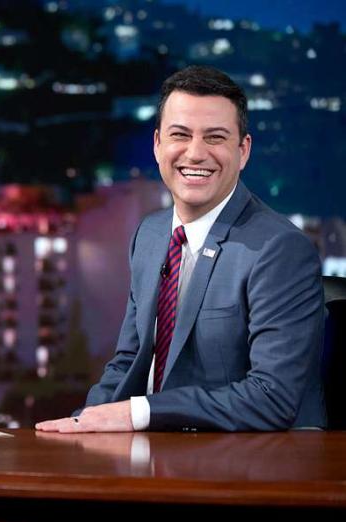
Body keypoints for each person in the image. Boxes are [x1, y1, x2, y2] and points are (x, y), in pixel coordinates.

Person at [37, 65, 325, 434]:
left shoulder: (280, 249)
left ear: (243, 150)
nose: (196, 153)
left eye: (215, 138)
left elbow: (272, 398)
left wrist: (140, 413)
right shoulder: (151, 234)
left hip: (253, 468)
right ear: (158, 145)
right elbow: (130, 360)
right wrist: (82, 422)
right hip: (161, 455)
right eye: (180, 135)